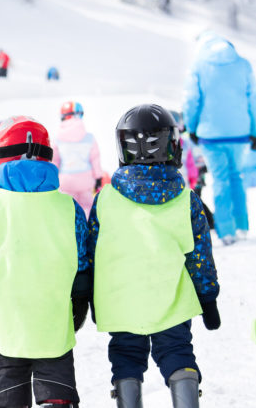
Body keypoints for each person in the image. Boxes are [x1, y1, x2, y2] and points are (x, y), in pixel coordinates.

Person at [89, 104, 220, 408]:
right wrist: (208, 298)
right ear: (172, 145)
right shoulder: (186, 199)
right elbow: (199, 256)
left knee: (126, 355)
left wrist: (92, 296)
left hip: (121, 300)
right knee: (176, 352)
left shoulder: (105, 199)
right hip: (171, 299)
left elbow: (92, 252)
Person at [0, 116, 90, 408]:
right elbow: (82, 262)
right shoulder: (68, 207)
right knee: (58, 393)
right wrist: (81, 299)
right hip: (53, 324)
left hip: (7, 326)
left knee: (8, 395)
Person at [183, 32, 256, 244]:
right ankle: (242, 225)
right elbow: (253, 99)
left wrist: (192, 128)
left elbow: (191, 100)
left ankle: (226, 231)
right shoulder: (243, 64)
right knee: (236, 177)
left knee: (220, 179)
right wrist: (254, 130)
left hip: (210, 133)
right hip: (240, 132)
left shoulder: (198, 65)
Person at [52, 101, 104, 216]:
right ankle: (86, 231)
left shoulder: (57, 139)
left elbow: (54, 162)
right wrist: (98, 178)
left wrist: (53, 180)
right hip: (85, 180)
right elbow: (95, 159)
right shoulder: (89, 138)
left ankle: (69, 231)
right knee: (87, 208)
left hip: (65, 181)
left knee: (67, 209)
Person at [170, 110, 215, 229]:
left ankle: (208, 222)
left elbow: (193, 162)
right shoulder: (182, 143)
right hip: (183, 181)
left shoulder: (186, 142)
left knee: (195, 203)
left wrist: (196, 177)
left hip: (190, 181)